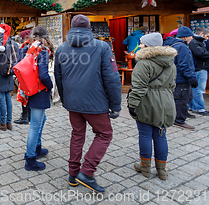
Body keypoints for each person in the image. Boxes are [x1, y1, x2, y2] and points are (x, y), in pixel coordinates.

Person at [54, 15, 121, 193]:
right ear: (89, 27)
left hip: (73, 100)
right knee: (105, 134)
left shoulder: (62, 48)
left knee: (77, 134)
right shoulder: (101, 47)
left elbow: (58, 77)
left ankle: (73, 174)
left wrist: (64, 98)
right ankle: (86, 172)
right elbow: (112, 78)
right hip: (95, 101)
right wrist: (115, 105)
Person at [128, 33, 176, 181]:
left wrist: (132, 105)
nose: (140, 46)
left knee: (145, 134)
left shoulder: (144, 63)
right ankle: (162, 170)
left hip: (147, 101)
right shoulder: (171, 62)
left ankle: (145, 167)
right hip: (166, 102)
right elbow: (173, 85)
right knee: (161, 135)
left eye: (142, 44)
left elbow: (139, 88)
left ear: (148, 46)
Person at [22, 26, 54, 171]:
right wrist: (51, 85)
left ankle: (37, 148)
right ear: (45, 37)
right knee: (35, 125)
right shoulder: (43, 50)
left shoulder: (26, 47)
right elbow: (43, 75)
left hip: (29, 88)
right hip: (39, 90)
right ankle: (30, 159)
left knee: (42, 119)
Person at [164, 26, 198, 129]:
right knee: (182, 99)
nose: (192, 38)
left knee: (181, 97)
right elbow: (184, 65)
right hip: (181, 78)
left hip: (174, 77)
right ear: (185, 37)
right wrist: (191, 78)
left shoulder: (172, 45)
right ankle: (179, 120)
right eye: (190, 36)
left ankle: (178, 115)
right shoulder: (182, 47)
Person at [0, 23, 18, 131]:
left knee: (1, 98)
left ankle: (2, 123)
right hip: (9, 73)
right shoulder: (13, 43)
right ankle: (9, 122)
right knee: (8, 98)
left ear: (0, 32)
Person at [188, 28, 209, 116]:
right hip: (199, 68)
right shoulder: (195, 42)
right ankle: (199, 108)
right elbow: (201, 54)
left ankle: (194, 106)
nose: (207, 38)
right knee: (199, 89)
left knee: (196, 89)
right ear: (201, 34)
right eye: (207, 36)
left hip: (200, 68)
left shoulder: (197, 42)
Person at [14, 29, 33, 124]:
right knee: (28, 95)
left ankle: (25, 117)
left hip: (25, 75)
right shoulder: (33, 46)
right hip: (31, 75)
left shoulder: (25, 47)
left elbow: (21, 61)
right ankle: (29, 116)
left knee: (24, 95)